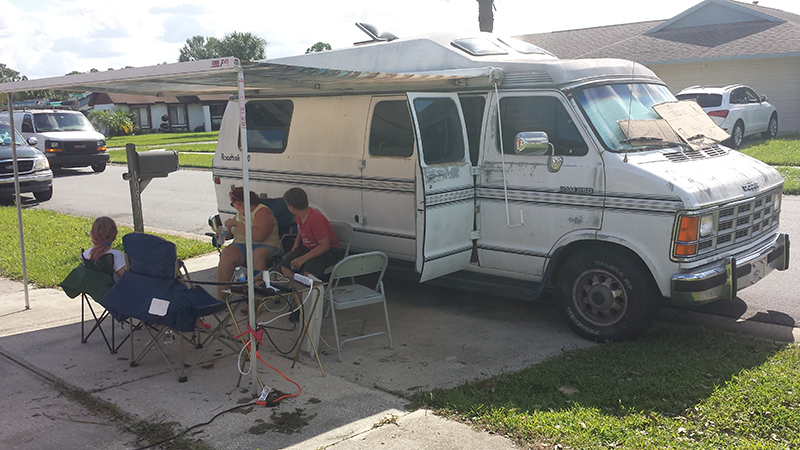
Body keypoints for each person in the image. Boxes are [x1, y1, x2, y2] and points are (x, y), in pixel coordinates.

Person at [216, 187, 280, 299]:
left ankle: (255, 299)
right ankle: (221, 298)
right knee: (227, 253)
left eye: (232, 204)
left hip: (265, 246)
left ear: (238, 203)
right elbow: (231, 234)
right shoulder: (240, 215)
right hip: (242, 246)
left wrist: (237, 224)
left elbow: (259, 236)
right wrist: (222, 233)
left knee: (257, 255)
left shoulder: (262, 211)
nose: (234, 207)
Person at [280, 187, 343, 280]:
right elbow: (300, 231)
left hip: (329, 251)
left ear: (291, 207)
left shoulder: (316, 220)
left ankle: (309, 291)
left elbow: (325, 246)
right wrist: (296, 245)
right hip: (308, 247)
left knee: (308, 271)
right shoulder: (299, 216)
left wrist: (303, 258)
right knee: (285, 266)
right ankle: (294, 288)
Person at [82, 216, 125, 281]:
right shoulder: (116, 256)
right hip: (114, 290)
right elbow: (127, 279)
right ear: (115, 234)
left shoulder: (86, 254)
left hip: (93, 291)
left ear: (92, 234)